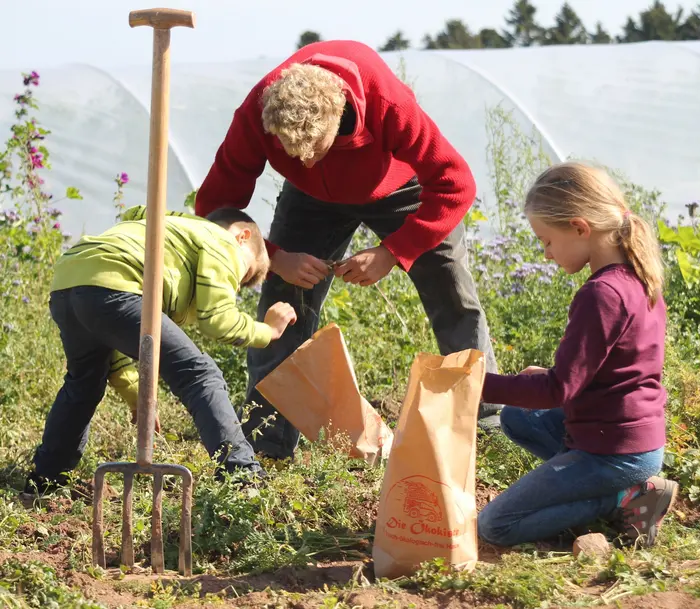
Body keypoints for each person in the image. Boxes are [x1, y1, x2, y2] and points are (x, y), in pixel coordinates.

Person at [194, 39, 501, 461]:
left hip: (399, 187)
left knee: (451, 291)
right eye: (287, 152)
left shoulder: (385, 105)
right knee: (284, 301)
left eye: (312, 153)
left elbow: (456, 183)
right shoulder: (257, 113)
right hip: (309, 200)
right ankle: (265, 441)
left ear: (339, 123)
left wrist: (393, 252)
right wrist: (274, 257)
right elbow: (214, 206)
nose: (301, 161)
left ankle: (488, 420)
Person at [24, 205, 297, 494]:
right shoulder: (221, 240)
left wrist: (137, 396)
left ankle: (45, 480)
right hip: (117, 284)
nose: (233, 285)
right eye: (244, 273)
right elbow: (218, 321)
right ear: (242, 236)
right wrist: (269, 330)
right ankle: (243, 476)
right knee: (200, 375)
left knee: (84, 383)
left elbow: (109, 341)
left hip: (69, 280)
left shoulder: (167, 230)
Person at [476, 162, 678, 548]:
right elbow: (616, 369)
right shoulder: (637, 277)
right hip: (635, 437)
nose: (546, 252)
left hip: (615, 451)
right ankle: (607, 483)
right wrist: (545, 379)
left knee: (494, 526)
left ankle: (627, 498)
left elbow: (558, 391)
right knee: (519, 417)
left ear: (580, 228)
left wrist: (477, 385)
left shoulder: (601, 294)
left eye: (547, 241)